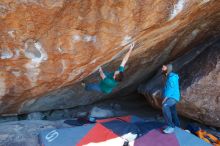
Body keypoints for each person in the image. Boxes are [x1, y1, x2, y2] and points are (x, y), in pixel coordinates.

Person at [161, 64, 181, 134]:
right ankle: (177, 125)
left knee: (165, 106)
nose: (162, 68)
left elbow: (170, 89)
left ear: (168, 68)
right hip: (171, 96)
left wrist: (164, 99)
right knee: (173, 110)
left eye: (164, 67)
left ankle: (171, 126)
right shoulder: (168, 76)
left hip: (173, 97)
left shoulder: (172, 77)